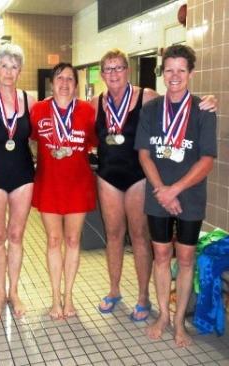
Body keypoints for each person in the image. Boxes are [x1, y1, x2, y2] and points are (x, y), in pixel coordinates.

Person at [91, 49, 218, 321]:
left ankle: (143, 296)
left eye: (118, 68)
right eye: (108, 69)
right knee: (113, 235)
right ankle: (113, 290)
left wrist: (208, 101)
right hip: (107, 176)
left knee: (139, 236)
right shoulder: (94, 103)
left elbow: (177, 109)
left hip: (139, 176)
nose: (113, 74)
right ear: (102, 74)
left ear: (128, 70)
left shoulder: (147, 97)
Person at [135, 44, 216, 347]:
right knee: (160, 256)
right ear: (162, 72)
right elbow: (144, 154)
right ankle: (163, 316)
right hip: (158, 195)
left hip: (190, 198)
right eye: (169, 69)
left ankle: (179, 320)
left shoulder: (204, 111)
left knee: (184, 259)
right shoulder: (151, 109)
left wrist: (175, 191)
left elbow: (207, 160)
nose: (174, 76)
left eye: (181, 70)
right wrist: (162, 192)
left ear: (190, 73)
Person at [30, 62, 97, 319]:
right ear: (51, 83)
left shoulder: (87, 112)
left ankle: (69, 298)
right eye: (60, 78)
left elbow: (93, 141)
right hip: (49, 184)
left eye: (70, 79)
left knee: (72, 240)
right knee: (54, 241)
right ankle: (55, 299)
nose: (65, 83)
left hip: (78, 185)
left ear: (76, 85)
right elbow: (32, 140)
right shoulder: (38, 110)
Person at [0, 44, 35, 320]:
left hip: (24, 176)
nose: (9, 71)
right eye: (4, 65)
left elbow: (40, 137)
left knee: (16, 236)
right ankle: (0, 294)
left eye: (14, 66)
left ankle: (14, 292)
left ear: (20, 70)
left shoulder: (29, 100)